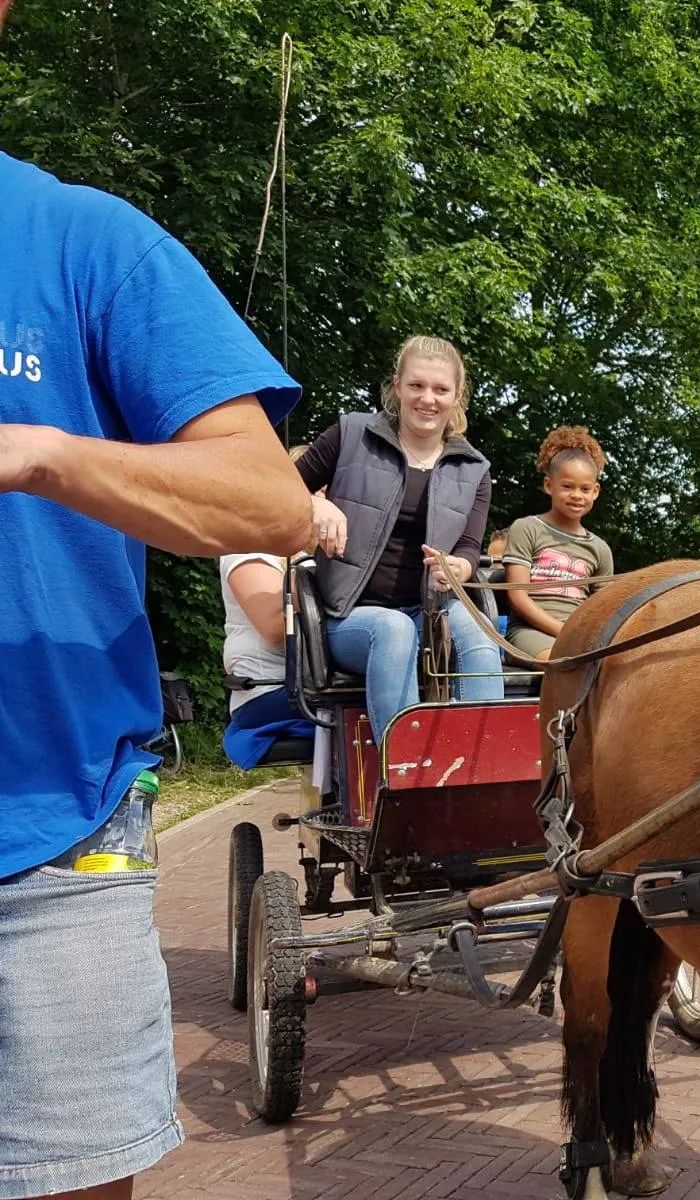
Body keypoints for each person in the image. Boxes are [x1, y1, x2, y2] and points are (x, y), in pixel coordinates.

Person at [0, 0, 311, 1189]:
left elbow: (268, 502)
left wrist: (37, 453)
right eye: (419, 388)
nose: (431, 404)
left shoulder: (85, 239)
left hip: (45, 842)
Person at [295, 336, 504, 740]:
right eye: (417, 386)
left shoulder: (475, 468)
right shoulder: (349, 433)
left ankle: (479, 767)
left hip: (430, 611)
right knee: (394, 629)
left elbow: (468, 550)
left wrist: (459, 567)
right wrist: (313, 505)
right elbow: (275, 488)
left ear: (457, 396)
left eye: (441, 389)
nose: (428, 399)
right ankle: (405, 768)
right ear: (397, 387)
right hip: (348, 617)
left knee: (479, 632)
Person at [219, 446, 318, 767]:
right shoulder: (249, 545)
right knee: (380, 704)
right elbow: (276, 627)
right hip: (269, 691)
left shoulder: (310, 554)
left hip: (308, 684)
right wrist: (312, 570)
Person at [503, 426, 613, 661]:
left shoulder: (600, 549)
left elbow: (602, 609)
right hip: (529, 633)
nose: (576, 495)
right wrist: (564, 633)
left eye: (585, 489)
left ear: (595, 491)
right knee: (566, 665)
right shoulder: (527, 528)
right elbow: (518, 598)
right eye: (567, 486)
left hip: (579, 639)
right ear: (548, 485)